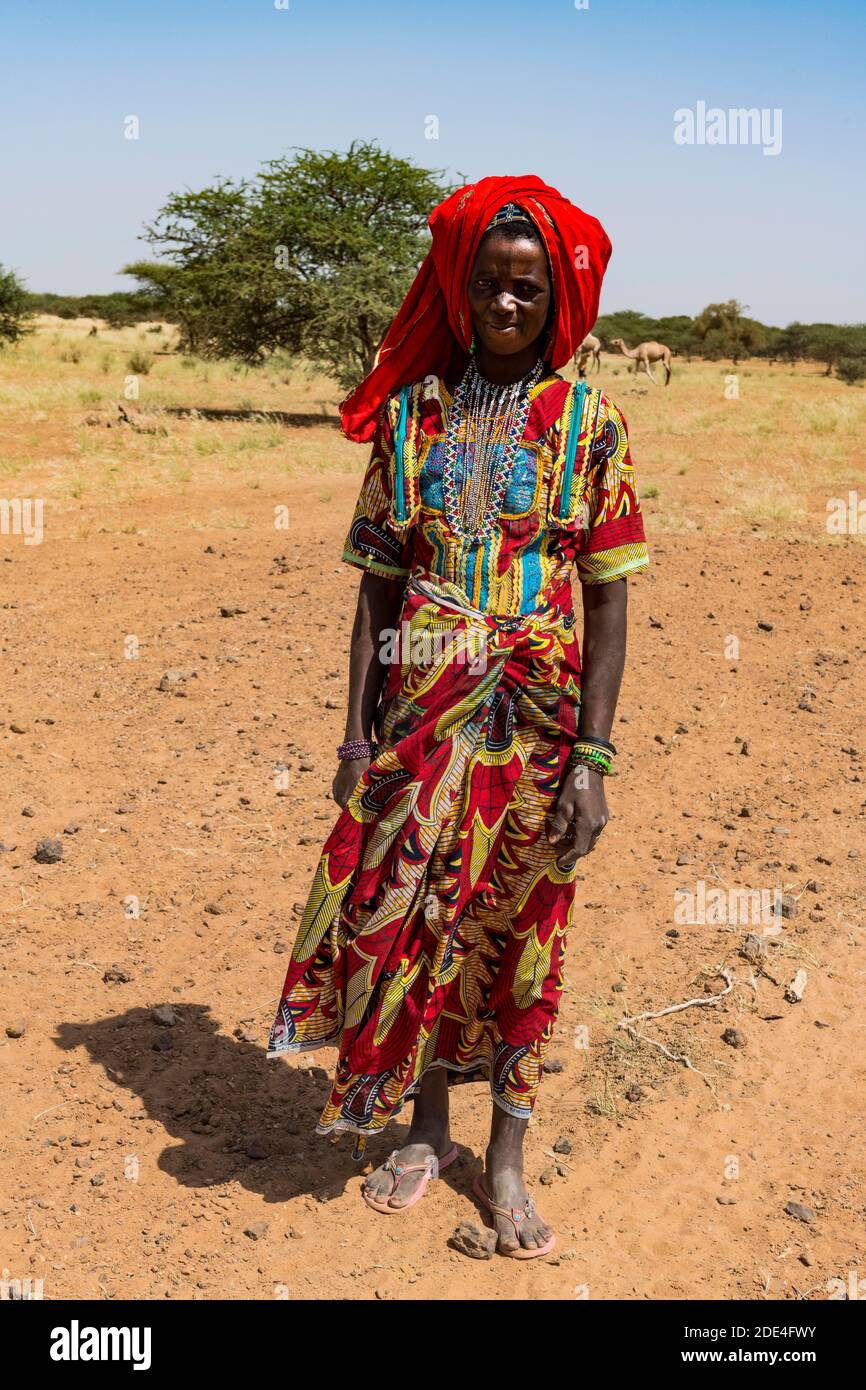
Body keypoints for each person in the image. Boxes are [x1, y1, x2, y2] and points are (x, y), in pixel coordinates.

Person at [268, 175, 649, 1258]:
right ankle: (427, 1130)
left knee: (523, 928)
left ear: (553, 298)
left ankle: (510, 1157)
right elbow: (376, 588)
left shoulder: (587, 422)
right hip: (420, 714)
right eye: (489, 283)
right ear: (460, 286)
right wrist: (354, 736)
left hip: (537, 724)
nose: (506, 305)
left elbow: (608, 595)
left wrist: (593, 756)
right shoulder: (411, 419)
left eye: (526, 288)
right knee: (420, 914)